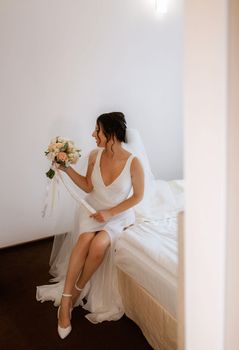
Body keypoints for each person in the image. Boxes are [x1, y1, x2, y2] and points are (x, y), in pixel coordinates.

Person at [37, 112, 144, 339]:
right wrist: (66, 169)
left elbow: (137, 198)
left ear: (111, 133)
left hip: (116, 215)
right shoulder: (95, 155)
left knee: (99, 244)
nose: (93, 134)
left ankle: (78, 289)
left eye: (98, 130)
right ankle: (66, 303)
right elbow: (87, 186)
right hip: (92, 211)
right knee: (85, 239)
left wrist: (110, 213)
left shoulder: (134, 163)